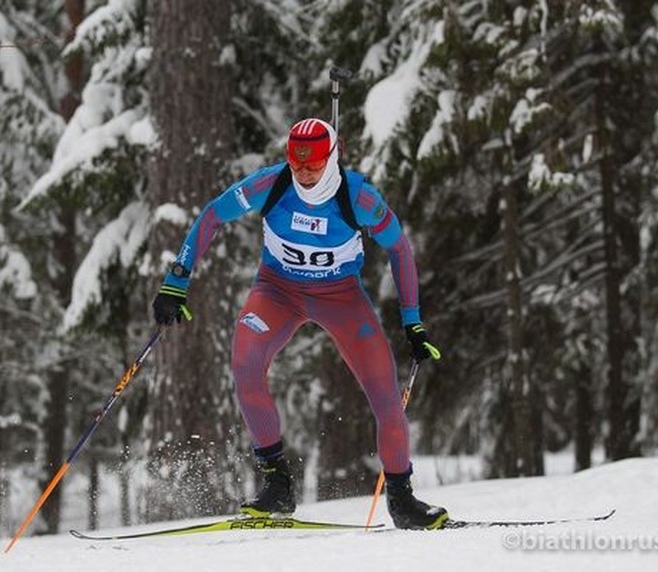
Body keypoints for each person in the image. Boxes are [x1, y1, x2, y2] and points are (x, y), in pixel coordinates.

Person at [152, 118, 447, 529]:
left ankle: (402, 499)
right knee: (245, 365)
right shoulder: (272, 184)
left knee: (384, 392)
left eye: (313, 165)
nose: (304, 173)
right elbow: (212, 215)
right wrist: (175, 283)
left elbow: (399, 248)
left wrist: (412, 323)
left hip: (342, 298)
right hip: (277, 292)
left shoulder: (357, 196)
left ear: (331, 157)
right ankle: (277, 485)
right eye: (296, 163)